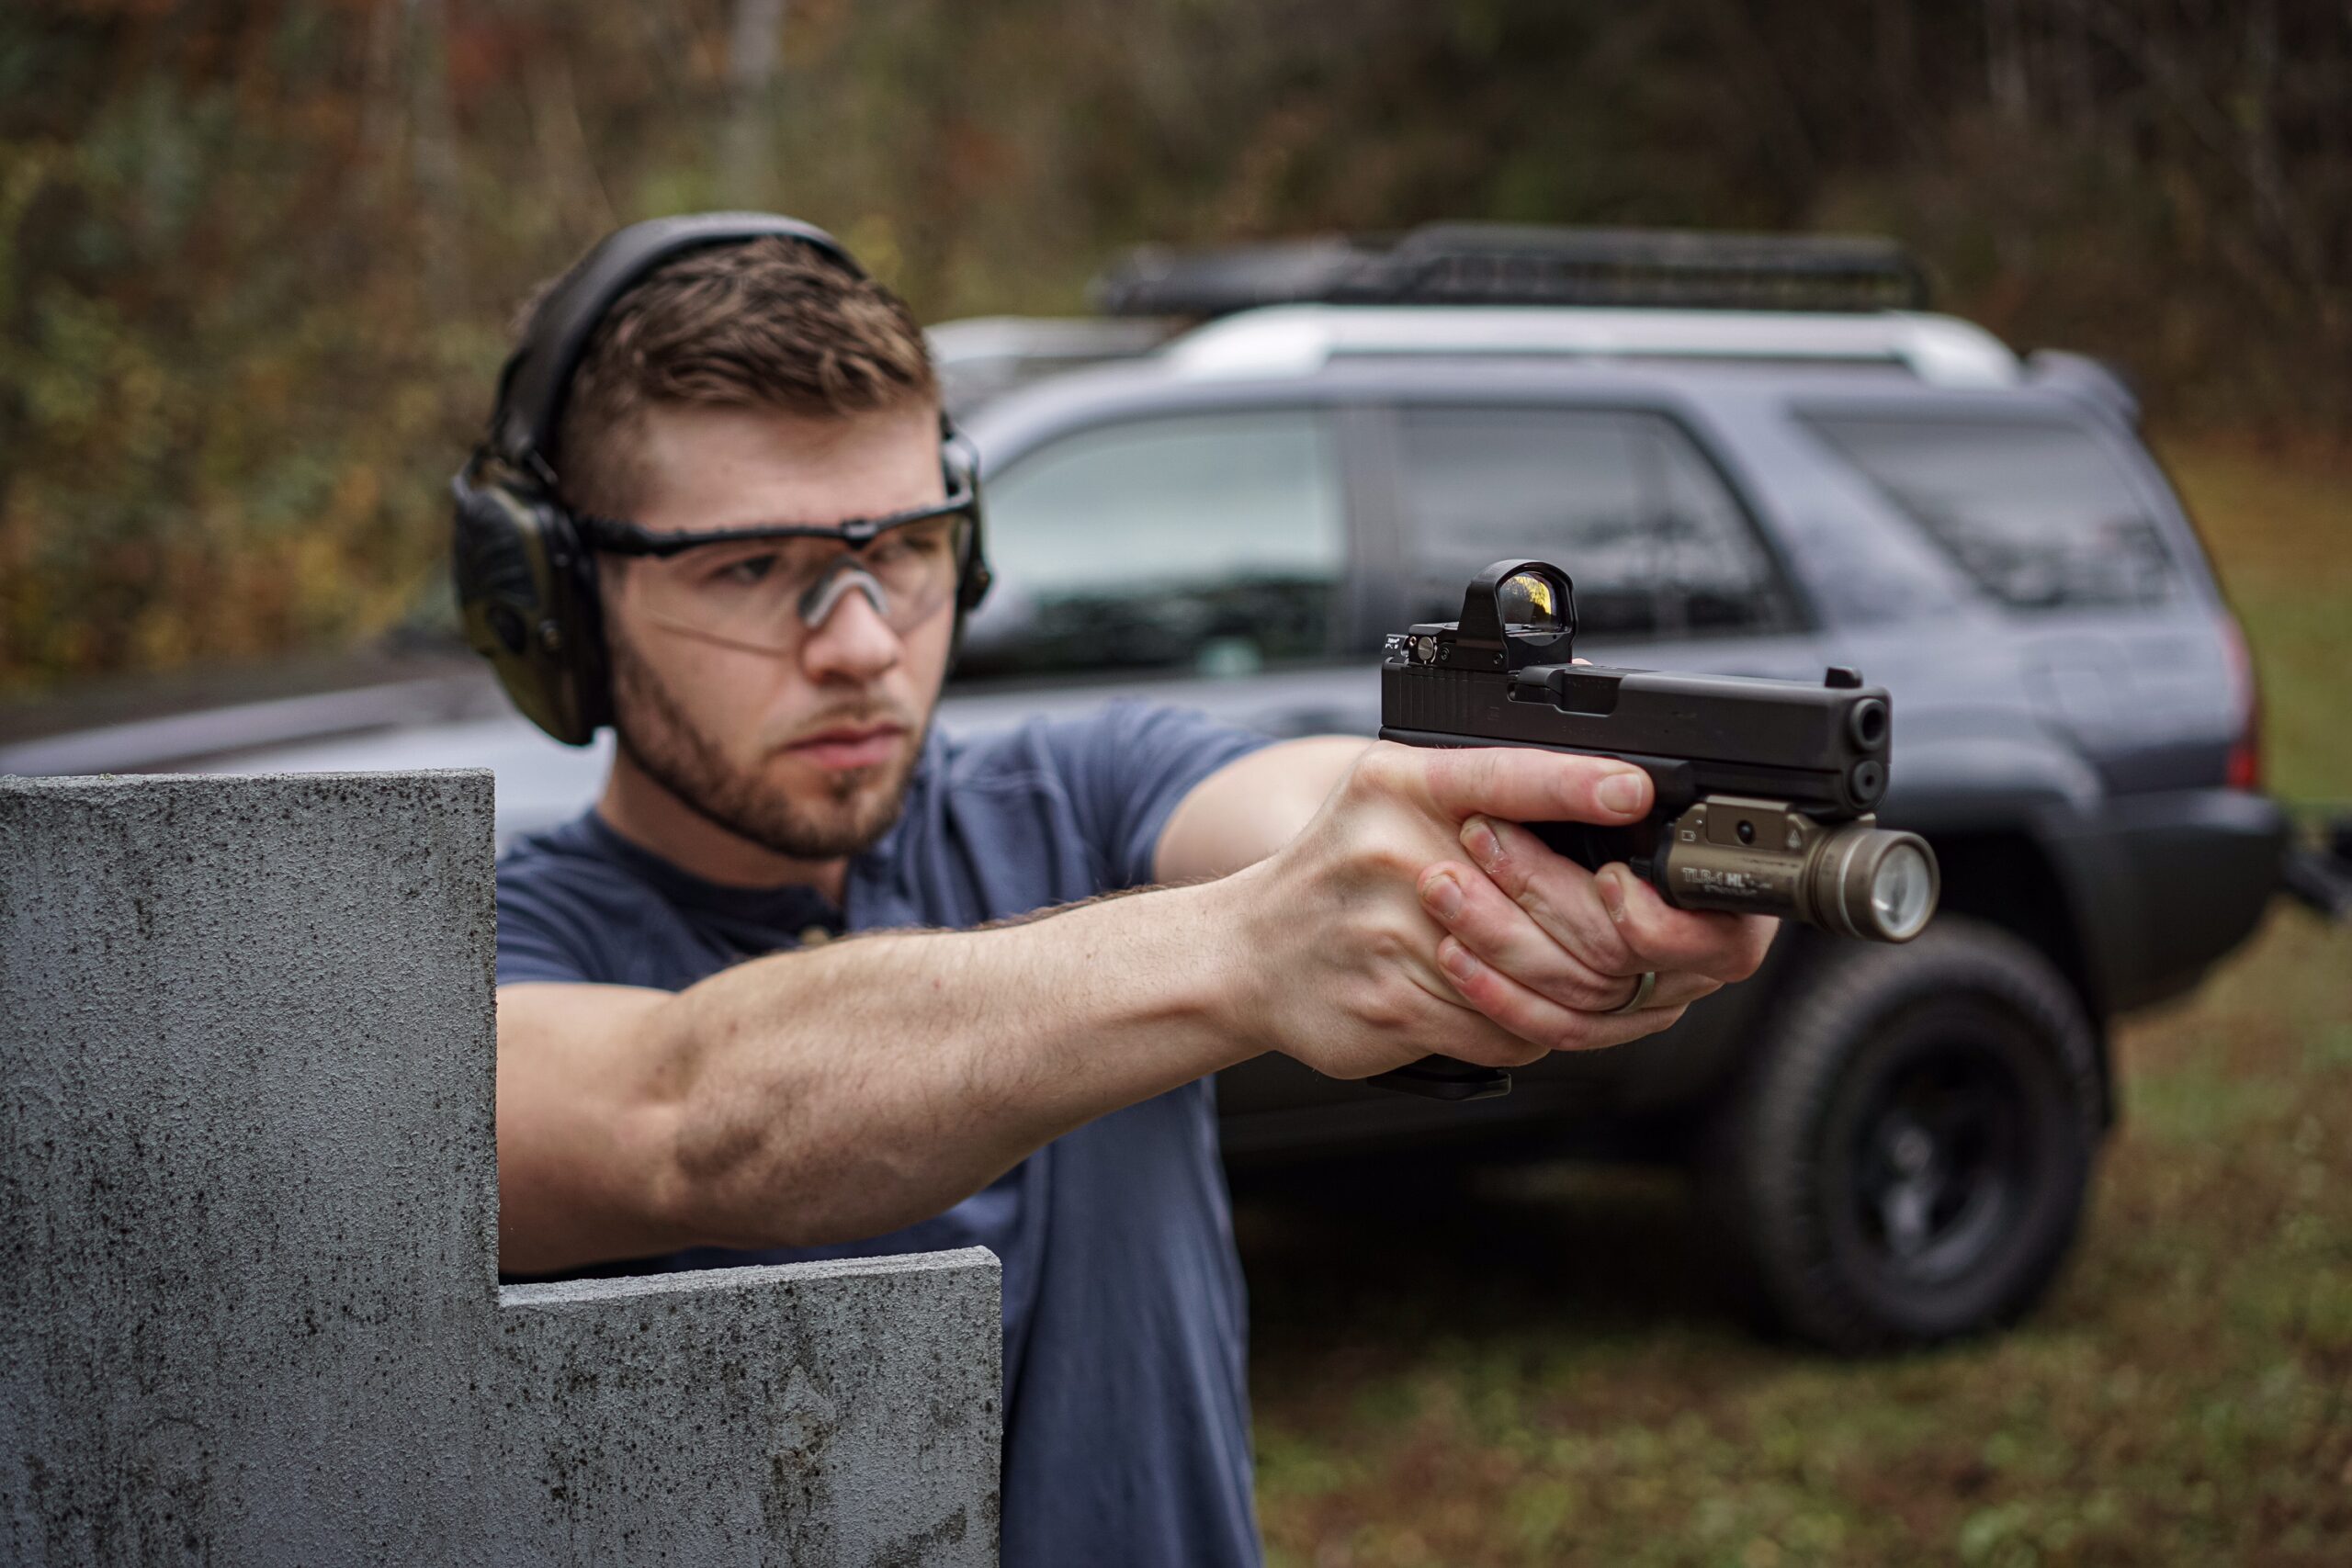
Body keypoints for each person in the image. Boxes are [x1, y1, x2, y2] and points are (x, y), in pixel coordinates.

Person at [460, 214, 1773, 1567]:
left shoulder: (1087, 784)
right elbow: (680, 1118)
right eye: (750, 568)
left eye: (904, 549)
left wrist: (1546, 853)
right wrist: (1249, 949)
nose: (861, 644)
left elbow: (1329, 810)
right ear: (555, 600)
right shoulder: (486, 968)